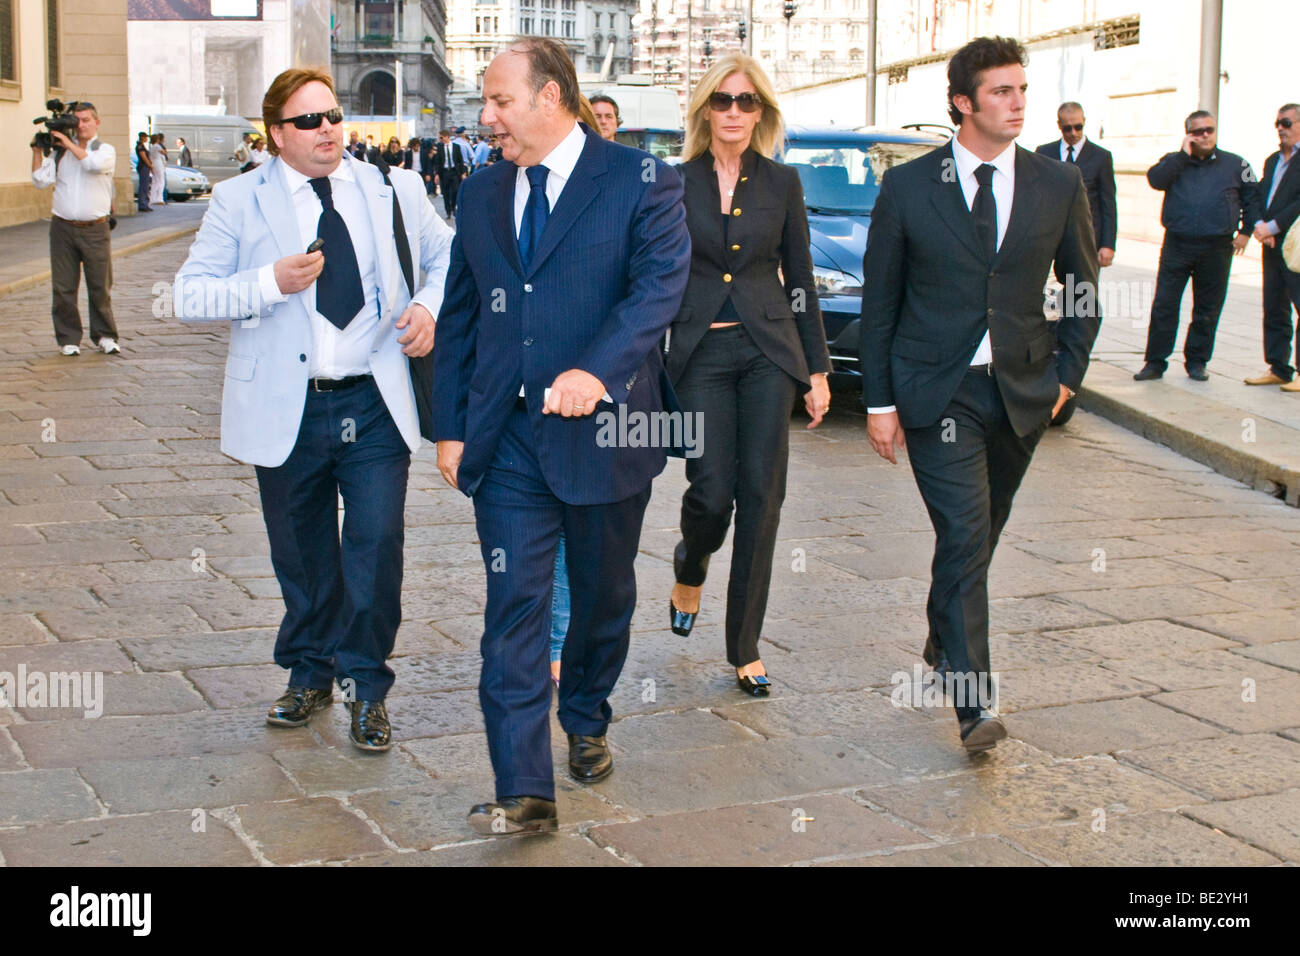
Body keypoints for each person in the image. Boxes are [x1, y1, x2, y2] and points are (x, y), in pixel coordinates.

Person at [431, 38, 690, 835]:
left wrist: (598, 372)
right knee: (513, 607)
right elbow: (461, 316)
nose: (487, 117)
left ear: (553, 100)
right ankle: (524, 787)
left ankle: (585, 712)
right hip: (508, 440)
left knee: (603, 598)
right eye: (486, 101)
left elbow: (658, 289)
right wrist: (448, 427)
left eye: (501, 100)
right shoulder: (480, 193)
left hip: (608, 432)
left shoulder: (640, 179)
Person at [173, 67, 453, 752]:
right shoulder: (240, 200)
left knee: (376, 543)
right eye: (309, 121)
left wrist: (427, 307)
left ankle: (367, 686)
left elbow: (451, 260)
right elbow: (190, 296)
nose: (328, 130)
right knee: (301, 551)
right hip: (288, 407)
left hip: (375, 400)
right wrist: (269, 281)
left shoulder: (393, 186)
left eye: (333, 115)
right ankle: (309, 670)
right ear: (276, 135)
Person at [861, 36, 1101, 752]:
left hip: (1025, 390)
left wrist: (1067, 378)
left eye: (1022, 88)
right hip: (939, 390)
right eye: (1001, 91)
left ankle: (944, 634)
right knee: (964, 532)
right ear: (963, 102)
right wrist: (879, 403)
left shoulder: (1057, 184)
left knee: (982, 534)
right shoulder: (908, 188)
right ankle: (973, 706)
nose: (1019, 102)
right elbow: (882, 302)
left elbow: (1083, 286)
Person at [666, 53, 831, 696]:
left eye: (747, 101)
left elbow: (802, 280)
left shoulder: (782, 183)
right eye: (723, 100)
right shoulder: (673, 182)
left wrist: (816, 368)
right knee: (711, 494)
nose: (734, 111)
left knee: (762, 500)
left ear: (762, 111)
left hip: (769, 356)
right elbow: (657, 273)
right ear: (706, 109)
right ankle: (690, 564)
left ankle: (745, 647)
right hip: (702, 354)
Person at [1134, 111, 1260, 382]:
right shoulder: (1174, 161)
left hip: (1217, 247)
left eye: (1209, 130)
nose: (1204, 135)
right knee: (1165, 305)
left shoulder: (1238, 164)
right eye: (1198, 131)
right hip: (1177, 244)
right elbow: (1155, 180)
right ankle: (1155, 362)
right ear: (1188, 134)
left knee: (1207, 308)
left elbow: (1253, 196)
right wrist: (1181, 155)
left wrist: (1246, 231)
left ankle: (1197, 361)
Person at [30, 101, 121, 357]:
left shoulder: (105, 150)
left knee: (99, 285)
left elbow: (92, 165)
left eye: (85, 120)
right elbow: (39, 181)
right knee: (63, 287)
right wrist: (38, 150)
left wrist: (67, 143)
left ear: (96, 123)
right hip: (62, 228)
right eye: (76, 121)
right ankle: (68, 339)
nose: (80, 126)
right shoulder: (60, 154)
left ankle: (105, 336)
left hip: (96, 228)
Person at [1245, 103, 1300, 391]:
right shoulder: (1272, 161)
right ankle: (1279, 367)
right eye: (1277, 123)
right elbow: (1258, 194)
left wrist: (1273, 226)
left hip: (1295, 245)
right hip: (1270, 243)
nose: (1281, 128)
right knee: (1274, 305)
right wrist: (1258, 225)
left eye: (1287, 123)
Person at [1035, 102, 1116, 265]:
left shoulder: (1101, 156)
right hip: (1048, 239)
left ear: (1084, 121)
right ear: (1059, 125)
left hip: (1087, 239)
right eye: (1067, 128)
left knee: (1080, 290)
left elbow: (1108, 204)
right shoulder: (1043, 153)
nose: (1073, 133)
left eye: (1078, 127)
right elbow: (1036, 197)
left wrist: (1108, 244)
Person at [432, 129, 467, 216]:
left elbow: (460, 161)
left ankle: (453, 206)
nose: (440, 139)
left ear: (447, 136)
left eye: (441, 137)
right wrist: (436, 174)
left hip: (454, 171)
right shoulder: (439, 147)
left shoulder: (456, 147)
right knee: (445, 192)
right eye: (439, 138)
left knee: (455, 190)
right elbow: (437, 162)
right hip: (444, 172)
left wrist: (463, 173)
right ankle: (448, 211)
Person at [134, 132, 153, 212]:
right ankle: (142, 204)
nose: (147, 139)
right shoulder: (140, 146)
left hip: (145, 167)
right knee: (143, 186)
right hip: (143, 167)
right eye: (146, 137)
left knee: (145, 186)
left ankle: (145, 203)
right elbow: (144, 157)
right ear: (142, 137)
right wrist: (150, 165)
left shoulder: (142, 146)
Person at [149, 133, 168, 206]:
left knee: (155, 181)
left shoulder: (151, 146)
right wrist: (165, 152)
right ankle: (159, 198)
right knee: (161, 181)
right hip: (158, 163)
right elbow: (164, 152)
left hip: (154, 163)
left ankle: (152, 198)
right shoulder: (157, 146)